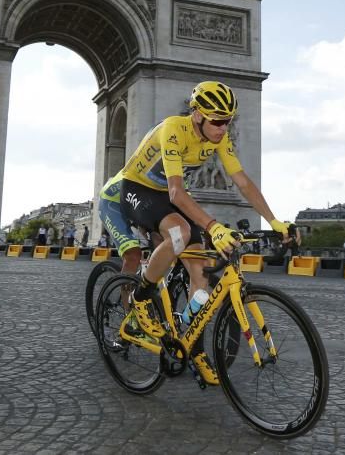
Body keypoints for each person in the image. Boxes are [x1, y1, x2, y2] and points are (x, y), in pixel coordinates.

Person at [119, 81, 293, 346]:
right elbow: (177, 192)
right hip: (139, 189)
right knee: (180, 233)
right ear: (197, 114)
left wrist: (274, 220)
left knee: (201, 276)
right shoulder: (173, 129)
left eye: (228, 122)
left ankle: (189, 344)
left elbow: (243, 182)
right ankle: (139, 300)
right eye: (217, 121)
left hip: (167, 196)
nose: (223, 128)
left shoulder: (219, 138)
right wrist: (214, 227)